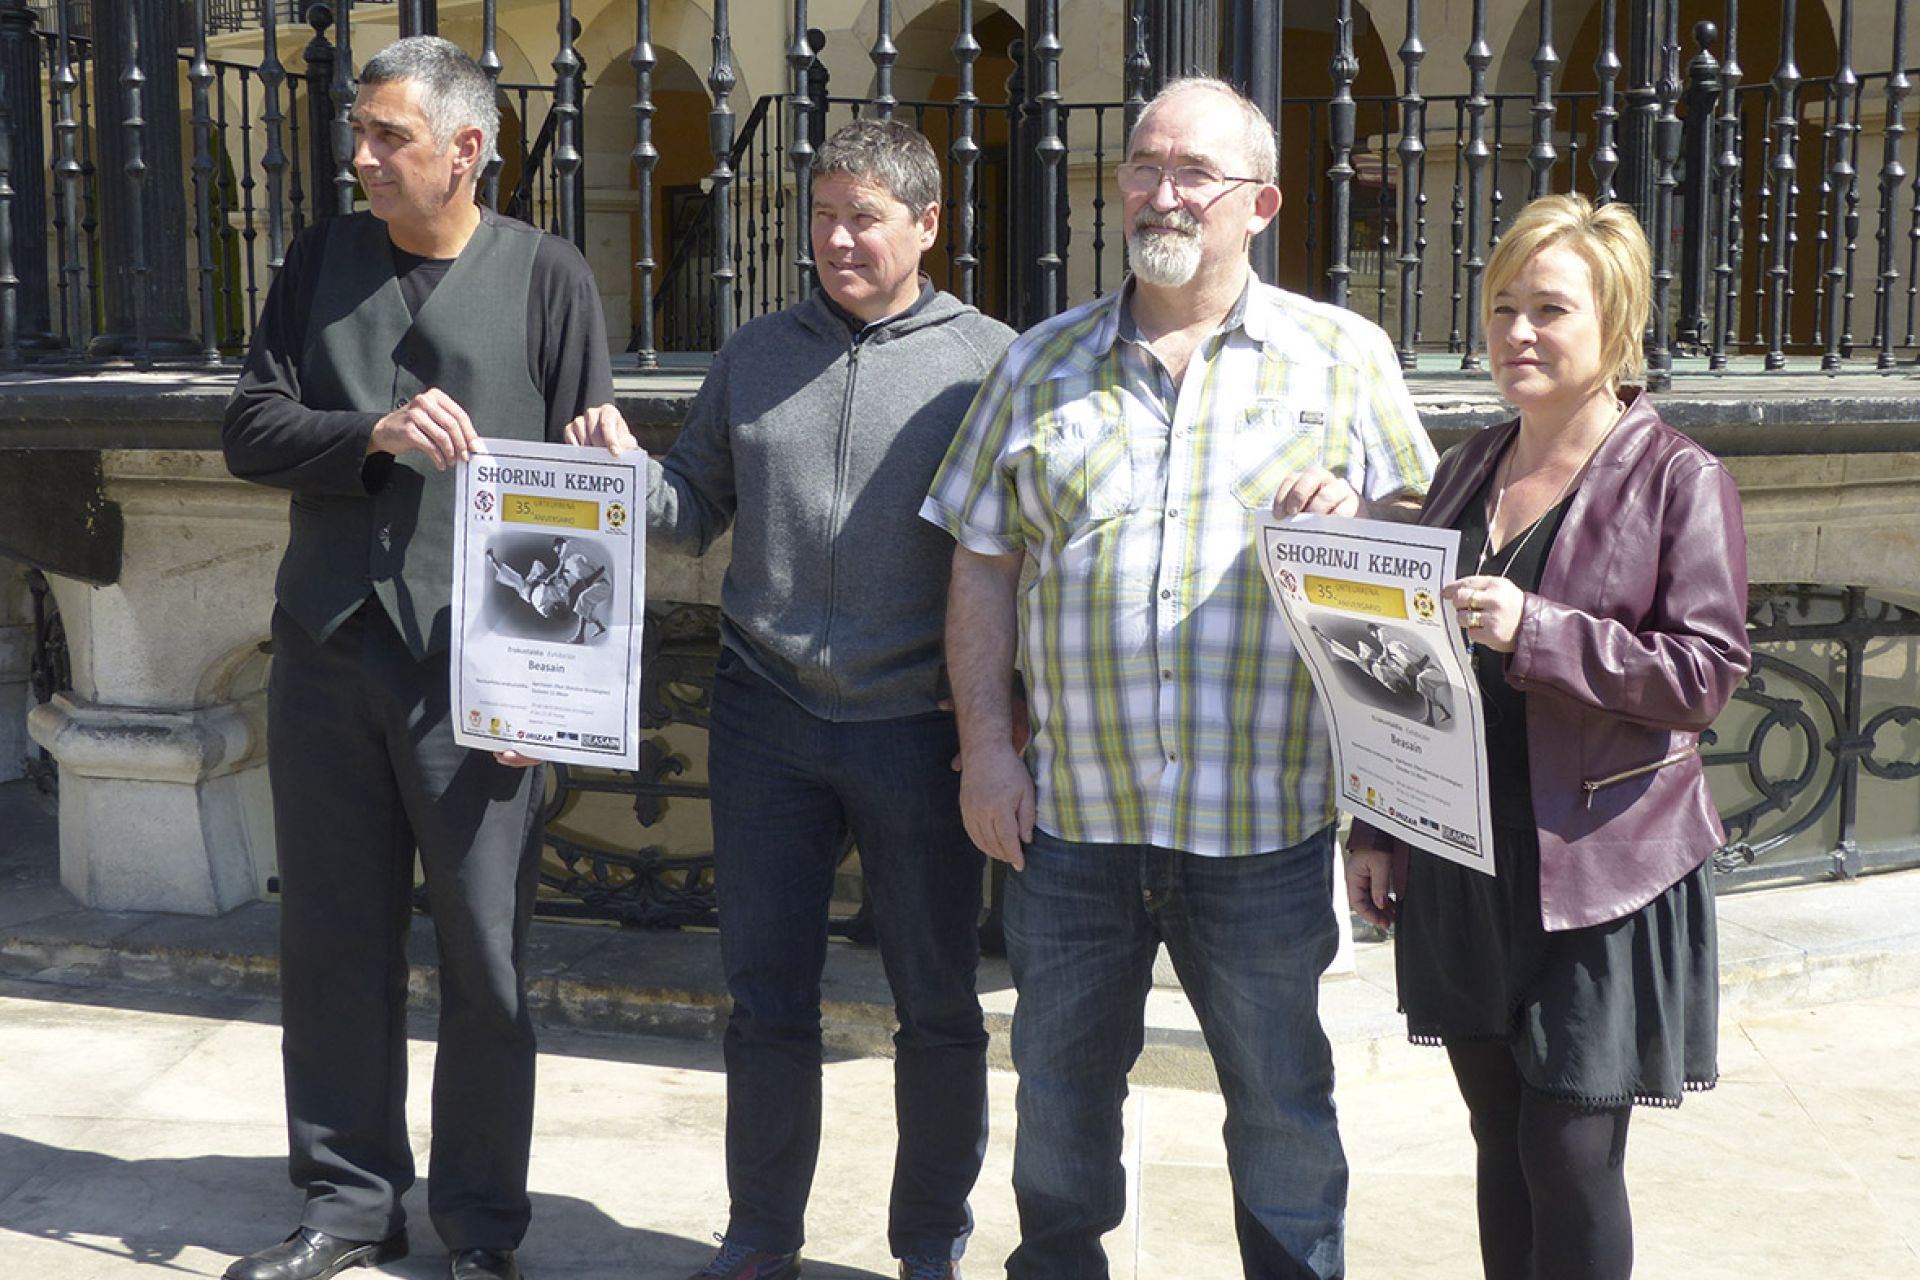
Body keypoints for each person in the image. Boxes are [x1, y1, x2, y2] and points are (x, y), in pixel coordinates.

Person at [923, 77, 1435, 1280]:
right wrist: (989, 748)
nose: (1160, 192)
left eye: (1192, 173)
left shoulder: (1343, 355)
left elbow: (1417, 547)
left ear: (1257, 201)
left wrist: (1363, 512)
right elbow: (981, 567)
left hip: (1262, 823)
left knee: (1281, 1106)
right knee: (1056, 1095)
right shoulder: (1039, 363)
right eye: (1143, 167)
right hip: (1074, 820)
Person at [569, 118, 1014, 1280]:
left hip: (920, 727)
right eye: (822, 216)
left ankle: (930, 1243)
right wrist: (627, 482)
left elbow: (1023, 551)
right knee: (764, 999)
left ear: (927, 224)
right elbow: (692, 511)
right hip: (764, 715)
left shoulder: (992, 359)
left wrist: (1000, 726)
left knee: (938, 1005)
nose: (836, 239)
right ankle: (760, 1232)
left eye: (864, 217)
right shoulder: (755, 352)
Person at [221, 36, 630, 1280]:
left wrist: (551, 691)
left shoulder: (550, 279)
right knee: (331, 941)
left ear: (467, 147)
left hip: (482, 677)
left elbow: (575, 494)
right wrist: (374, 432)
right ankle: (346, 1200)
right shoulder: (318, 263)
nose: (361, 157)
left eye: (388, 137)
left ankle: (482, 1225)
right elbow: (250, 425)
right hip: (330, 649)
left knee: (486, 958)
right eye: (361, 133)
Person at [1333, 194, 1750, 1280]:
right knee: (1496, 1134)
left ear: (1614, 324)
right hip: (1467, 856)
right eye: (1503, 306)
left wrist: (1543, 632)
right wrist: (1374, 827)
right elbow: (1403, 663)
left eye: (1549, 310)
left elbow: (1705, 674)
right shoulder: (1470, 468)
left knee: (1567, 1152)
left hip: (1603, 865)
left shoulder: (1678, 478)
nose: (1518, 332)